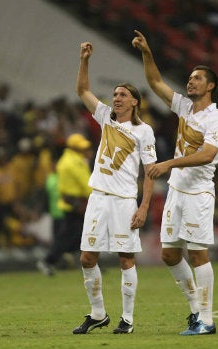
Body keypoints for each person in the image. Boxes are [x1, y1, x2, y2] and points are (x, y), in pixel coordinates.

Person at [132, 30, 218, 335]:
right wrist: (147, 52)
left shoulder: (217, 119)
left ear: (210, 85)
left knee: (198, 254)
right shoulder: (185, 107)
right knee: (170, 254)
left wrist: (169, 163)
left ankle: (207, 320)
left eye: (197, 78)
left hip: (199, 193)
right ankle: (195, 309)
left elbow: (207, 154)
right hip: (177, 191)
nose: (191, 82)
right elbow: (155, 83)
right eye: (189, 78)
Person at [73, 42, 157, 335]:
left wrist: (144, 206)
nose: (117, 98)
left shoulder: (143, 131)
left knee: (125, 258)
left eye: (123, 95)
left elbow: (150, 172)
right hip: (98, 198)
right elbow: (83, 90)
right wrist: (84, 60)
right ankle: (98, 313)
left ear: (135, 101)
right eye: (115, 94)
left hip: (123, 200)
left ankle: (128, 319)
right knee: (86, 257)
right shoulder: (106, 117)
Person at [37, 133, 92, 276]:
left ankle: (88, 262)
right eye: (81, 148)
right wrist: (98, 193)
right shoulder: (73, 163)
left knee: (79, 234)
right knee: (68, 236)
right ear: (73, 148)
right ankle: (48, 261)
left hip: (74, 203)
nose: (84, 150)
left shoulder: (71, 160)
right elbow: (86, 184)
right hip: (75, 203)